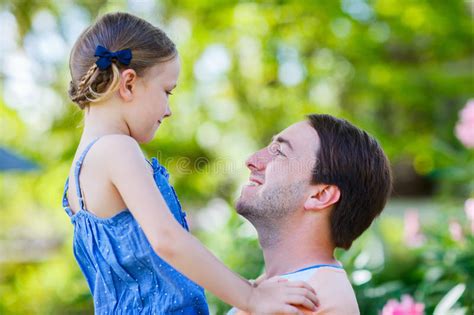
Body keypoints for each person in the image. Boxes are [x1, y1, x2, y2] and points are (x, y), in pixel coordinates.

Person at [61, 12, 319, 314]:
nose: (169, 110)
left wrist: (251, 287)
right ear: (128, 84)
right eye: (167, 91)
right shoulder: (118, 149)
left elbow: (145, 271)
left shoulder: (77, 176)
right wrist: (251, 298)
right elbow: (168, 240)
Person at [230, 114, 392, 314]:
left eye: (279, 152)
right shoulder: (271, 290)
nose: (252, 161)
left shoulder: (315, 301)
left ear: (320, 195)